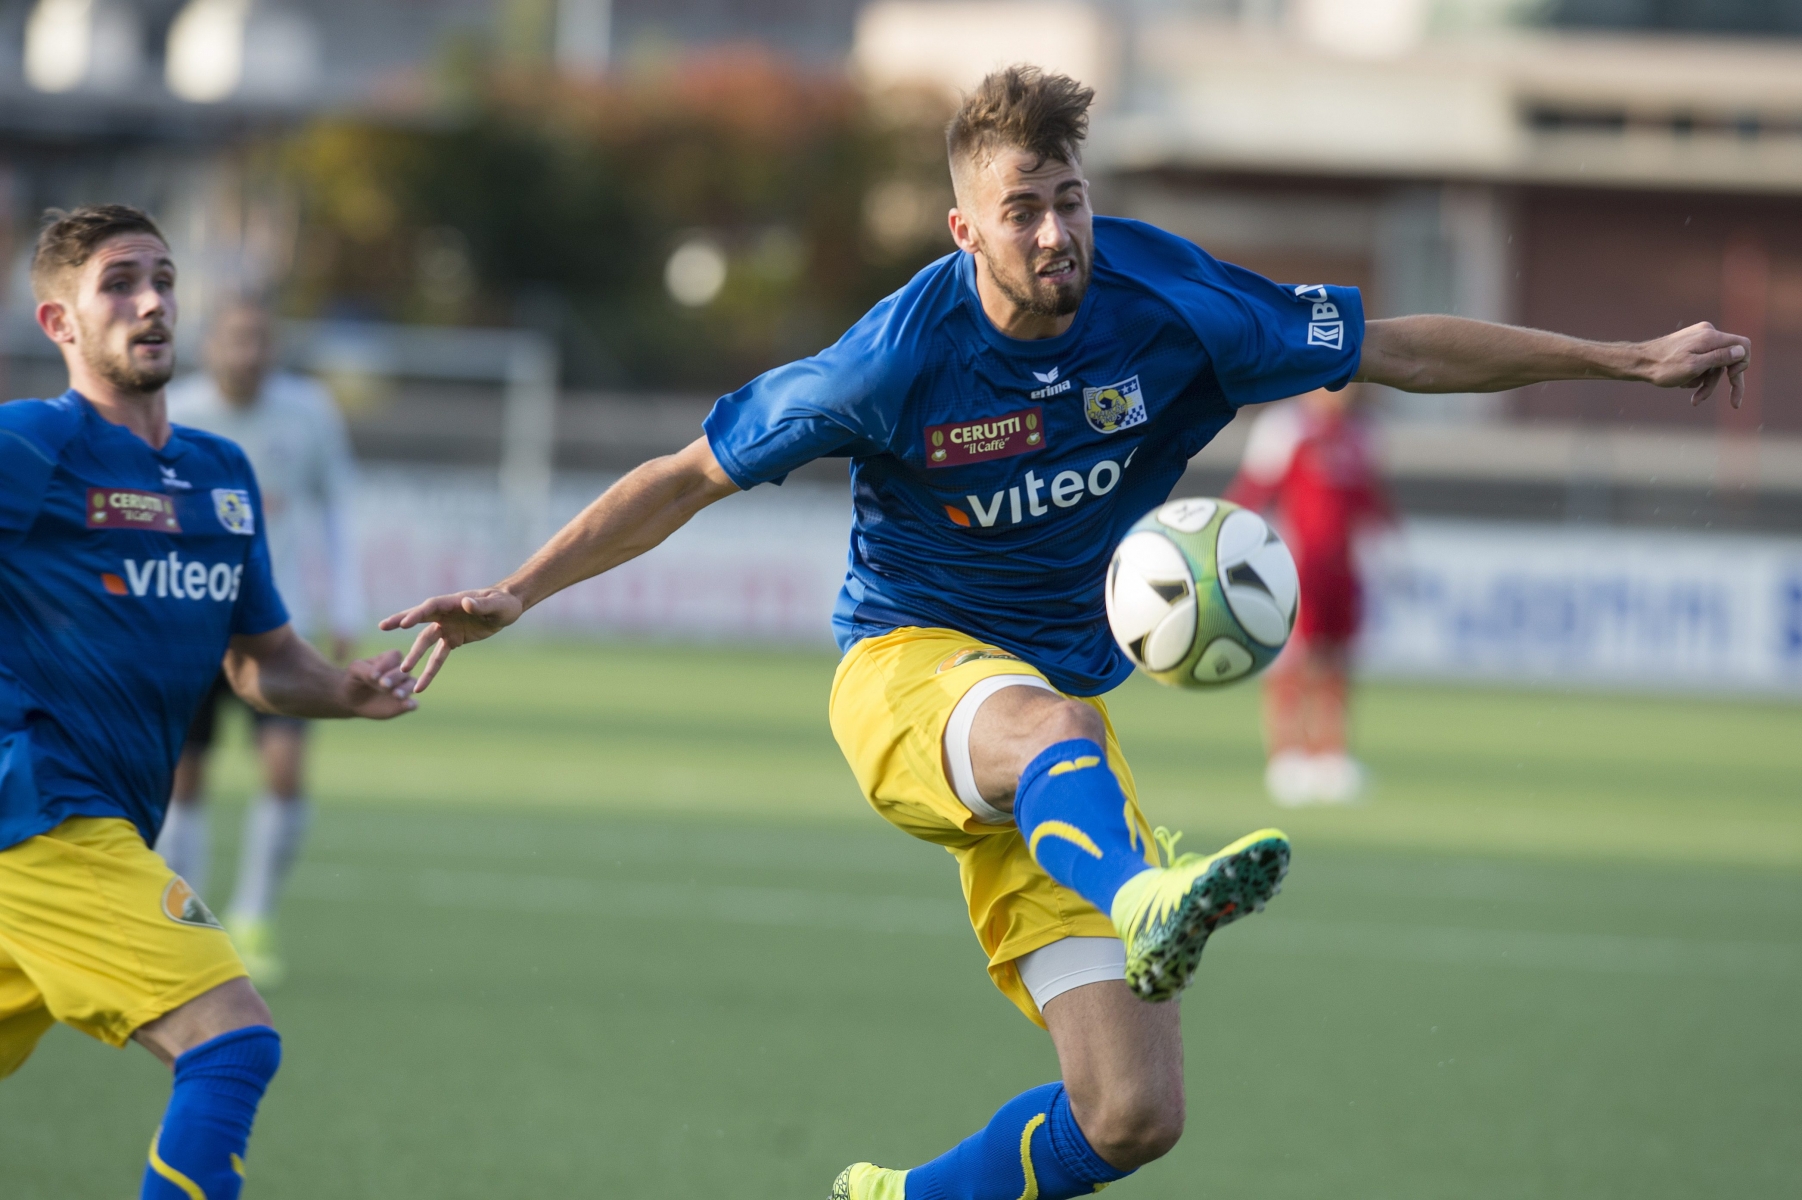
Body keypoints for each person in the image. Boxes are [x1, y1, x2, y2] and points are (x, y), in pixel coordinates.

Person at [379, 67, 1749, 1200]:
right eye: (1020, 211)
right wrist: (521, 586)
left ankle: (904, 1198)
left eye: (1069, 201)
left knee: (1129, 1112)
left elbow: (1392, 347)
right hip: (908, 677)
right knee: (1049, 724)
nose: (1054, 235)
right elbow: (685, 475)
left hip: (1054, 744)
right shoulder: (890, 358)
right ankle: (1141, 893)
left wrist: (1621, 360)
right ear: (963, 232)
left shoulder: (1172, 305)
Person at [0, 204, 418, 1199]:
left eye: (164, 278)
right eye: (118, 284)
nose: (152, 303)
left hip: (86, 827)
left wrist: (342, 690)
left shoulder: (221, 476)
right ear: (59, 324)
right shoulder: (30, 445)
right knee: (231, 1043)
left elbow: (256, 660)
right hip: (40, 816)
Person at [158, 297, 363, 986]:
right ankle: (188, 925)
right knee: (183, 782)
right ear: (209, 345)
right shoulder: (174, 411)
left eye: (259, 340)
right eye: (234, 339)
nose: (247, 352)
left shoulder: (308, 413)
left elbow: (336, 506)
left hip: (278, 624)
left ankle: (253, 915)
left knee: (283, 769)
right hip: (189, 624)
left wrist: (345, 604)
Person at [1226, 384, 1394, 805]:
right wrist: (1228, 542)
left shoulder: (1362, 433)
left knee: (1338, 658)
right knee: (1295, 662)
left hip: (1345, 568)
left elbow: (1370, 498)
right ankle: (1287, 756)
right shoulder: (1284, 429)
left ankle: (1330, 756)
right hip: (1298, 565)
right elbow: (1254, 491)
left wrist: (1393, 541)